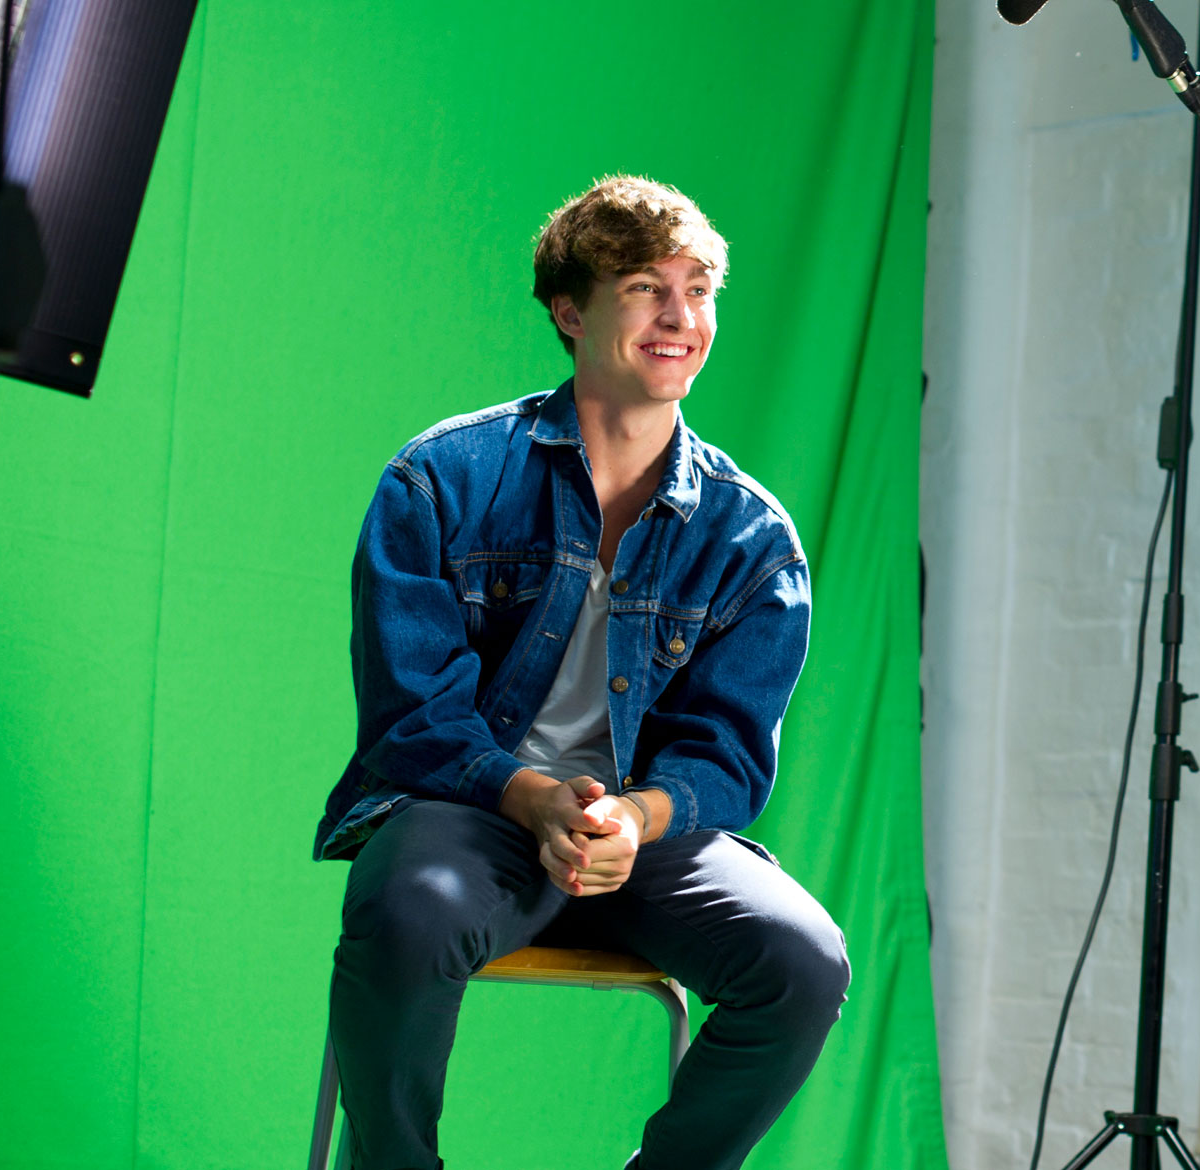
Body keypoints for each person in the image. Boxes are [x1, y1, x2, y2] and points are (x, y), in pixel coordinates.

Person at [312, 175, 851, 1170]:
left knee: (803, 962)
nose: (682, 317)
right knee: (403, 914)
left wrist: (631, 818)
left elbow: (727, 757)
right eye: (647, 287)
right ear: (571, 311)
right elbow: (410, 718)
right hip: (470, 812)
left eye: (699, 290)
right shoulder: (441, 478)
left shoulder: (753, 537)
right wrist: (532, 797)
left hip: (642, 834)